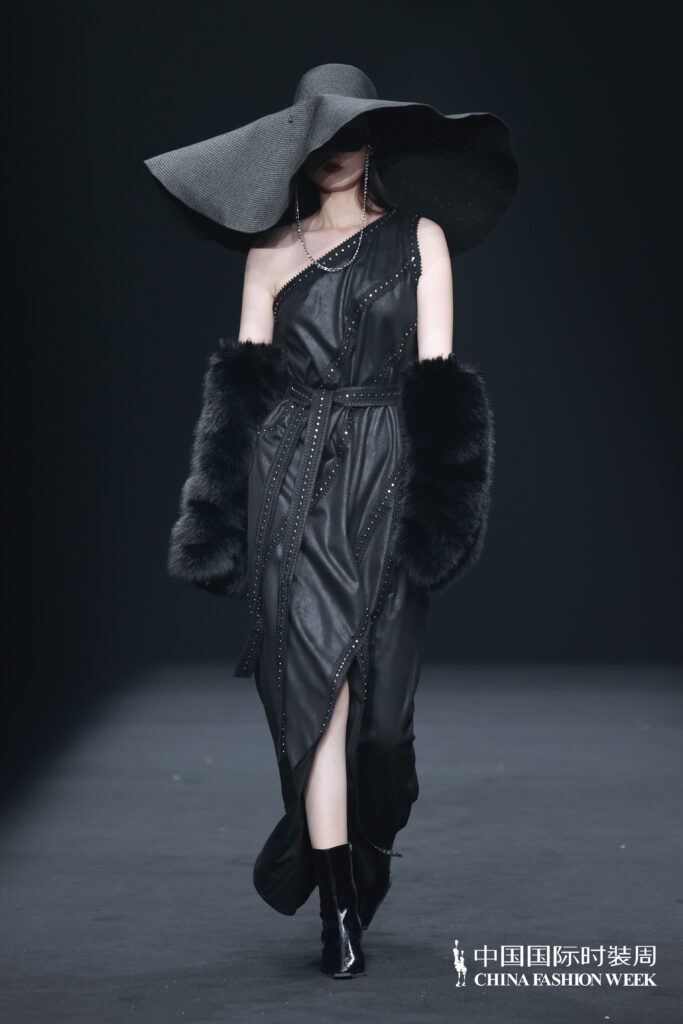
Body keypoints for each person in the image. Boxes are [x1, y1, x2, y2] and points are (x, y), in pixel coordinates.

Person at [143, 62, 519, 979]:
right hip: (290, 481)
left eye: (351, 132)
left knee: (382, 728)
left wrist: (441, 509)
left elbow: (439, 382)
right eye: (320, 137)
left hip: (387, 473)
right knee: (313, 702)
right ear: (297, 150)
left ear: (374, 137)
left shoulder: (418, 239)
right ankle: (337, 914)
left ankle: (361, 847)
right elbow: (240, 396)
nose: (337, 151)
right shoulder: (267, 253)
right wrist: (218, 518)